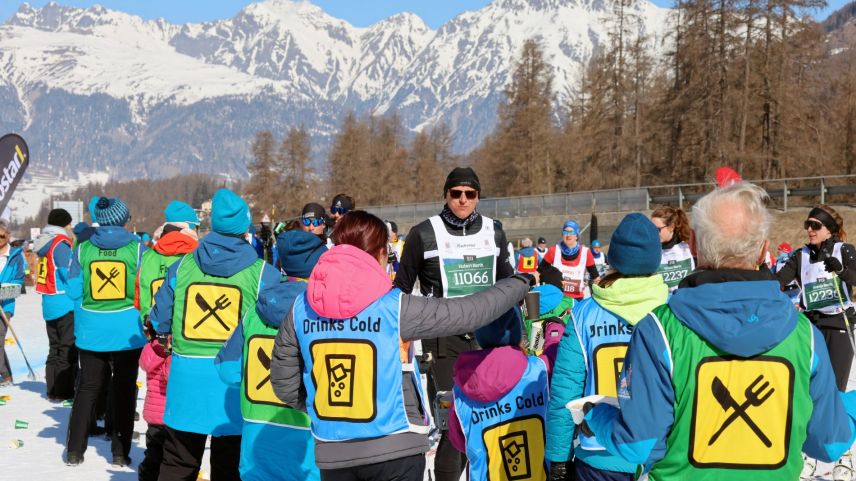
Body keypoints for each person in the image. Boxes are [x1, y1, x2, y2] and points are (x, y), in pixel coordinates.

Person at [582, 183, 856, 481]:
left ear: (694, 244)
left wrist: (597, 415)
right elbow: (829, 442)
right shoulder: (805, 336)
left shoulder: (659, 329)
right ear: (763, 249)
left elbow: (640, 445)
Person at [270, 210, 535, 481]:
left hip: (333, 450)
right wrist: (519, 282)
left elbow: (283, 382)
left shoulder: (301, 308)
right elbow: (470, 312)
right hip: (395, 444)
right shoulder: (395, 307)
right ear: (380, 254)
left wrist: (323, 408)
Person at [393, 166, 515, 481]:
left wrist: (521, 332)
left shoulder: (494, 231)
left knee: (489, 417)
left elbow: (507, 285)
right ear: (446, 195)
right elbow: (400, 290)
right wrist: (400, 337)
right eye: (456, 193)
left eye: (470, 194)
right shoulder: (423, 233)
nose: (463, 200)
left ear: (478, 197)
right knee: (454, 423)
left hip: (488, 336)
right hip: (442, 339)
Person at [151, 189, 276, 481]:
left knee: (178, 462)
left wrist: (164, 333)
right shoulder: (262, 273)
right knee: (229, 466)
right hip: (235, 381)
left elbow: (159, 318)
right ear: (244, 228)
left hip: (186, 380)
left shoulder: (182, 266)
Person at [547, 213, 669, 481]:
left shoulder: (583, 314)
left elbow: (565, 392)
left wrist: (558, 459)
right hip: (656, 452)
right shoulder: (670, 310)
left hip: (599, 455)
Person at [215, 229, 323, 481]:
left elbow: (227, 370)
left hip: (258, 446)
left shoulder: (254, 312)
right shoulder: (324, 316)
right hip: (309, 450)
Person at [65, 196, 146, 466]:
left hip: (92, 329)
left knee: (87, 388)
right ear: (123, 220)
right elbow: (145, 288)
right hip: (127, 331)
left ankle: (74, 451)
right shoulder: (138, 249)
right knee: (124, 389)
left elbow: (72, 290)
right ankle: (120, 452)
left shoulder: (83, 249)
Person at [448, 308, 561, 481]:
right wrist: (555, 330)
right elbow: (559, 357)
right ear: (516, 332)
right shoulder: (540, 371)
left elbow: (459, 441)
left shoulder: (462, 391)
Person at [774, 205, 856, 391]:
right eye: (808, 225)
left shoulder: (843, 250)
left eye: (816, 226)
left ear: (829, 229)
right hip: (812, 326)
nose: (810, 229)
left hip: (838, 323)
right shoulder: (800, 255)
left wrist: (841, 270)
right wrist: (760, 271)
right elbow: (778, 281)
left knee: (834, 387)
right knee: (808, 385)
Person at [33, 208, 77, 400]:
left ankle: (52, 389)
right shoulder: (60, 243)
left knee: (54, 347)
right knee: (67, 349)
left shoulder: (44, 242)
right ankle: (64, 390)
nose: (71, 227)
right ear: (64, 224)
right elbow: (67, 272)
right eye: (69, 223)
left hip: (49, 301)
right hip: (64, 301)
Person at [136, 201, 200, 324]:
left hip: (152, 329)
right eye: (197, 227)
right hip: (187, 331)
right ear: (192, 228)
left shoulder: (146, 257)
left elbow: (138, 302)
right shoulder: (199, 257)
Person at [138, 326, 171, 481]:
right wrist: (169, 354)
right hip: (168, 414)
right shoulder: (174, 350)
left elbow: (145, 364)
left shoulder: (149, 348)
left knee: (153, 453)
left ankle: (146, 476)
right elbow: (169, 376)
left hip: (153, 414)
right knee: (167, 456)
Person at [542, 220, 600, 300]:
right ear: (562, 234)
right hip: (557, 299)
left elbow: (596, 278)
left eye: (572, 232)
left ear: (576, 236)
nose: (568, 235)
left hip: (577, 300)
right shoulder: (553, 250)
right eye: (565, 232)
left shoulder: (585, 252)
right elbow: (539, 272)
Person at [0, 222, 26, 386]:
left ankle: (5, 376)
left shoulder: (15, 256)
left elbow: (18, 283)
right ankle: (6, 374)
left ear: (7, 236)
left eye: (1, 236)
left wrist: (1, 292)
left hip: (5, 306)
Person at [651, 206, 694, 293]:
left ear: (671, 227)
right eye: (651, 229)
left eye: (657, 229)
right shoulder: (650, 250)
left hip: (686, 296)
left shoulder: (688, 247)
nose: (653, 233)